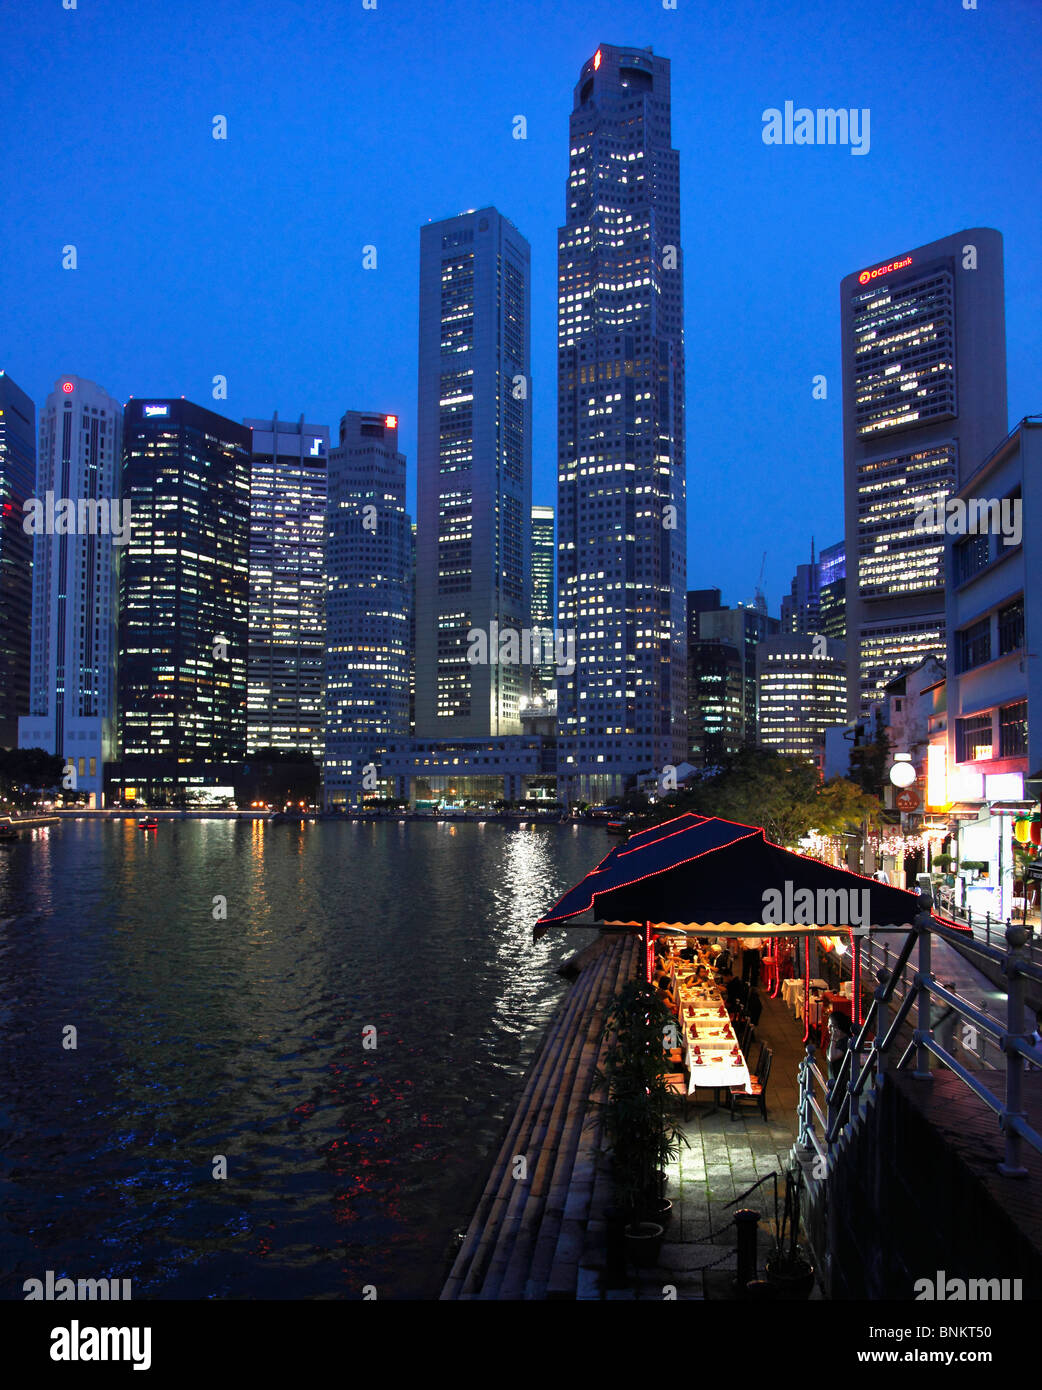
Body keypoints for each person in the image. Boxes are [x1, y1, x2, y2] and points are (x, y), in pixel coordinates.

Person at [827, 1010, 853, 1082]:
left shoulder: (845, 1042)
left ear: (837, 1027)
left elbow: (832, 1057)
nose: (828, 1027)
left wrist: (833, 1039)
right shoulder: (838, 1040)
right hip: (833, 1079)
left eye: (830, 1025)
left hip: (840, 1083)